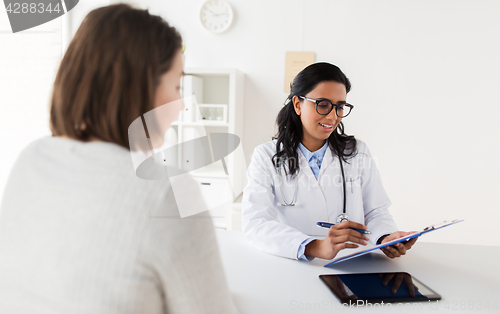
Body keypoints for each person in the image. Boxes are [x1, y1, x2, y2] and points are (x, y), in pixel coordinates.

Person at [0, 4, 238, 314]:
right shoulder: (166, 192)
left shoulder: (31, 159)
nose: (182, 106)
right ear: (137, 87)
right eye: (177, 86)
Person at [242, 62, 417, 261]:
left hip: (352, 263)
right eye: (323, 105)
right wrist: (314, 246)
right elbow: (256, 222)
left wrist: (385, 237)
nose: (333, 116)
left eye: (340, 107)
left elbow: (376, 211)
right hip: (295, 265)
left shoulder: (357, 152)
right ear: (298, 105)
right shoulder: (266, 156)